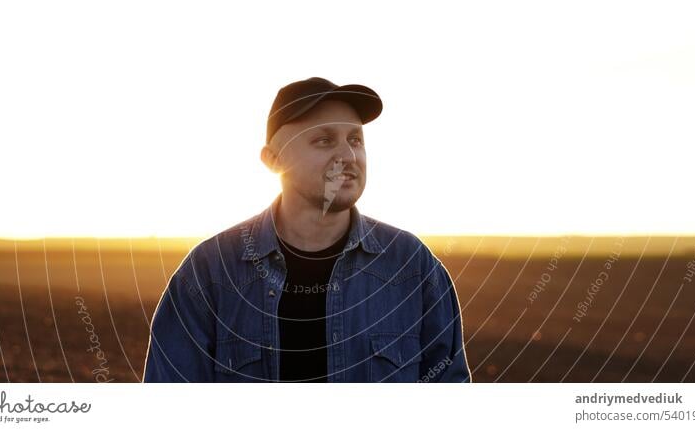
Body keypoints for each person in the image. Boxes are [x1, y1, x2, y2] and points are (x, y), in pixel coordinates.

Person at [143, 77, 471, 382]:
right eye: (324, 140)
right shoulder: (209, 273)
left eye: (355, 139)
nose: (347, 155)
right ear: (273, 160)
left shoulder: (412, 267)